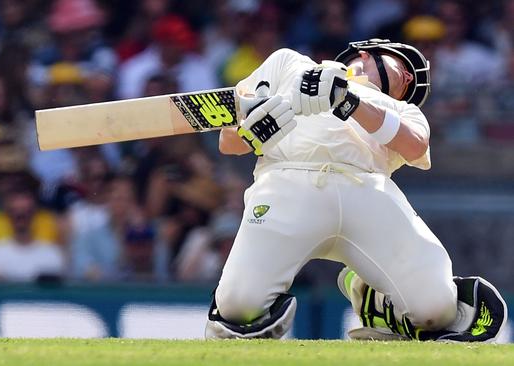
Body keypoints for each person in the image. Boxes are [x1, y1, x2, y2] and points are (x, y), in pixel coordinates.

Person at [205, 39, 508, 342]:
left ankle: (376, 301)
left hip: (367, 191)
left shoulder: (402, 110)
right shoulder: (289, 63)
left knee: (437, 310)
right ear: (365, 54)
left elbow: (415, 144)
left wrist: (347, 100)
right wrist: (251, 133)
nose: (408, 78)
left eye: (410, 82)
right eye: (402, 65)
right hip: (287, 181)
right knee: (237, 308)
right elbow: (227, 142)